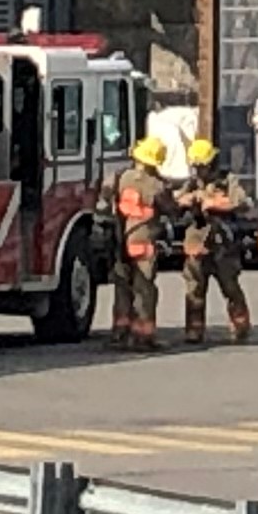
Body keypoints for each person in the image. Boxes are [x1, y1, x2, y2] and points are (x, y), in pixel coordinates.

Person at [177, 135, 253, 345]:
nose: (199, 170)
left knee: (230, 287)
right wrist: (188, 200)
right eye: (196, 166)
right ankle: (194, 331)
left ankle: (240, 326)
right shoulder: (191, 184)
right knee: (194, 289)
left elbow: (242, 201)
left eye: (202, 165)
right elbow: (176, 201)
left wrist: (215, 203)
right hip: (197, 242)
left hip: (223, 244)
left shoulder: (227, 180)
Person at [108, 133, 172, 352]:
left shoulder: (121, 178)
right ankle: (143, 336)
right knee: (144, 291)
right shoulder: (155, 185)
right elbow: (170, 208)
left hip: (121, 241)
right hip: (143, 242)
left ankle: (119, 332)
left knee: (122, 290)